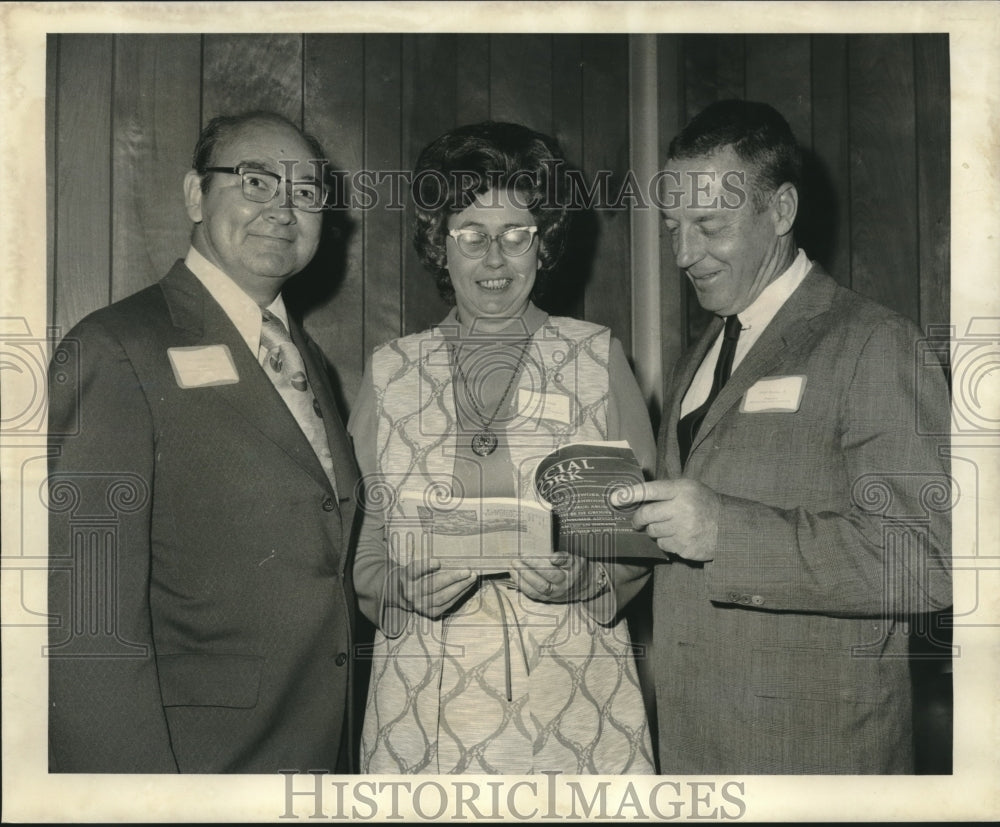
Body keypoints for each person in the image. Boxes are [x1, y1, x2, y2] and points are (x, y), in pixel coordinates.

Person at [627, 99, 952, 774]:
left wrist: (727, 532)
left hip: (817, 758)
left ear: (780, 211)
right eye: (673, 228)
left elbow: (925, 560)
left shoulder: (873, 342)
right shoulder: (706, 349)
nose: (685, 254)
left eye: (710, 225)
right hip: (696, 753)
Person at [47, 111, 359, 773]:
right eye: (256, 181)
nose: (283, 208)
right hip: (193, 763)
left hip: (311, 755)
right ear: (195, 194)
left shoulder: (311, 363)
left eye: (306, 192)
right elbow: (88, 618)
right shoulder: (116, 347)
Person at [349, 121, 656, 774]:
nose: (494, 259)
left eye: (516, 233)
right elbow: (364, 556)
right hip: (422, 711)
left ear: (542, 243)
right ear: (441, 244)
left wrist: (586, 575)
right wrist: (403, 593)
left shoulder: (594, 357)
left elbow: (631, 542)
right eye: (471, 234)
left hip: (570, 707)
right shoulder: (391, 370)